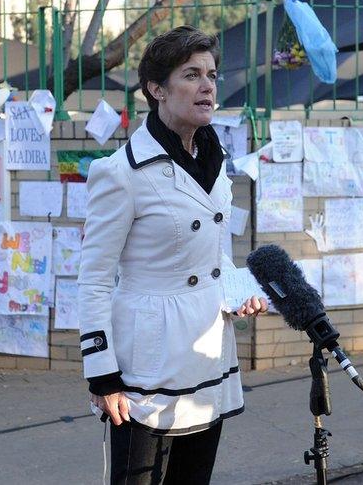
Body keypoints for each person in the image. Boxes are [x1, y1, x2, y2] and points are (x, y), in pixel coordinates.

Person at [77, 25, 268, 484]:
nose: (207, 86)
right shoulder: (120, 173)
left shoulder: (214, 159)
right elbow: (94, 278)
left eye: (212, 75)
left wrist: (235, 294)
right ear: (156, 89)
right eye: (191, 75)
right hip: (146, 365)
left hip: (207, 350)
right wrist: (102, 373)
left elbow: (212, 257)